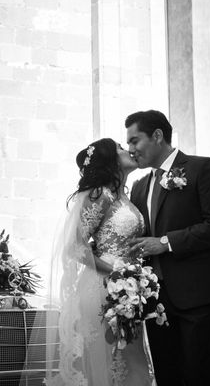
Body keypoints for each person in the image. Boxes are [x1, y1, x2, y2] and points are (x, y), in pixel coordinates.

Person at [124, 110, 210, 386]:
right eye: (128, 144)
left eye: (135, 140)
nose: (131, 149)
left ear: (158, 136)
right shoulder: (139, 187)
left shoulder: (202, 168)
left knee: (201, 377)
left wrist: (165, 243)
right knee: (167, 377)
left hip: (198, 296)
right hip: (156, 302)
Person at [47, 138, 154, 386]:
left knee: (130, 361)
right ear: (109, 159)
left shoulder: (124, 198)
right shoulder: (100, 194)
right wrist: (117, 271)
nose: (126, 149)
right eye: (118, 147)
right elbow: (75, 247)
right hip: (103, 286)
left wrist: (131, 276)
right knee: (107, 362)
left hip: (127, 289)